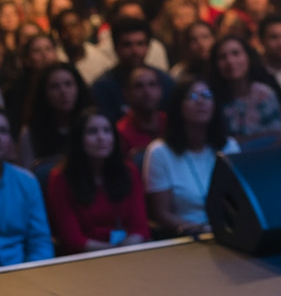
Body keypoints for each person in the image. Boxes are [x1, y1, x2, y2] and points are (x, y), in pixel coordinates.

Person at [142, 76, 240, 237]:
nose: (201, 101)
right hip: (186, 237)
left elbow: (238, 202)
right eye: (193, 96)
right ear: (178, 106)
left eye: (207, 96)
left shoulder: (229, 146)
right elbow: (162, 214)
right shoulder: (160, 152)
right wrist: (198, 229)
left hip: (228, 232)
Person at [47, 108, 150, 255]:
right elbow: (72, 239)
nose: (102, 137)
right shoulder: (60, 178)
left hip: (130, 252)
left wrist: (126, 249)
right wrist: (114, 252)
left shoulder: (129, 171)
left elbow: (140, 227)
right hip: (86, 258)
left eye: (107, 131)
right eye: (92, 132)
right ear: (78, 139)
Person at [0, 107, 54, 266]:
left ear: (10, 140)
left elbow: (40, 242)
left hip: (18, 274)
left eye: (2, 131)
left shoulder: (27, 182)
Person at [208, 36, 281, 147]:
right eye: (222, 57)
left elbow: (277, 136)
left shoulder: (265, 94)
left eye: (236, 53)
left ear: (248, 56)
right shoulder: (211, 99)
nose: (230, 61)